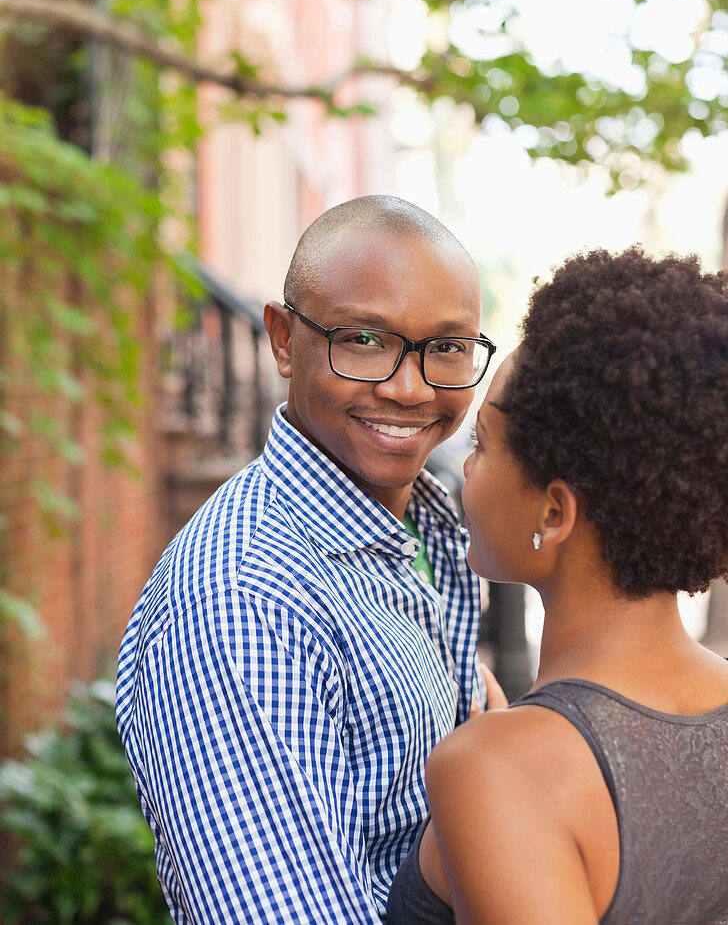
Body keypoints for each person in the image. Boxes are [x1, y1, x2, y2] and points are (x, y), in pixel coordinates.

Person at [116, 195, 501, 924]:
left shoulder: (422, 526)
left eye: (447, 348)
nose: (410, 387)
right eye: (364, 339)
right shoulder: (244, 598)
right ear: (284, 339)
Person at [387, 246, 728, 925]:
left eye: (482, 443)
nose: (465, 471)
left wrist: (505, 751)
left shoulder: (497, 770)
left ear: (554, 511)